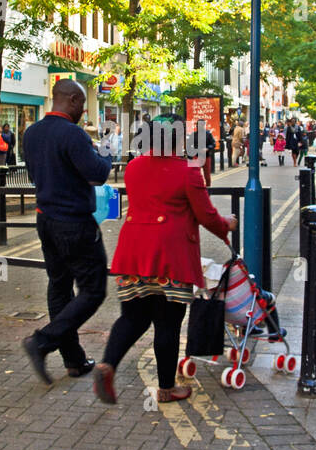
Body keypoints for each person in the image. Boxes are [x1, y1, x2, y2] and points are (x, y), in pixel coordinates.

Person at [93, 113, 236, 404]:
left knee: (132, 317)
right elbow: (206, 215)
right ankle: (167, 388)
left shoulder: (133, 167)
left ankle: (107, 364)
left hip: (133, 253)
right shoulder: (187, 171)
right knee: (167, 324)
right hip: (171, 257)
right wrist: (227, 225)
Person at [20, 79, 113, 385]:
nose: (83, 110)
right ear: (71, 100)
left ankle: (73, 360)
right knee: (93, 289)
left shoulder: (31, 133)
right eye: (82, 104)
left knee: (59, 285)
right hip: (74, 223)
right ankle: (43, 341)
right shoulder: (74, 135)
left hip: (45, 220)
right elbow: (98, 174)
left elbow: (36, 174)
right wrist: (106, 152)